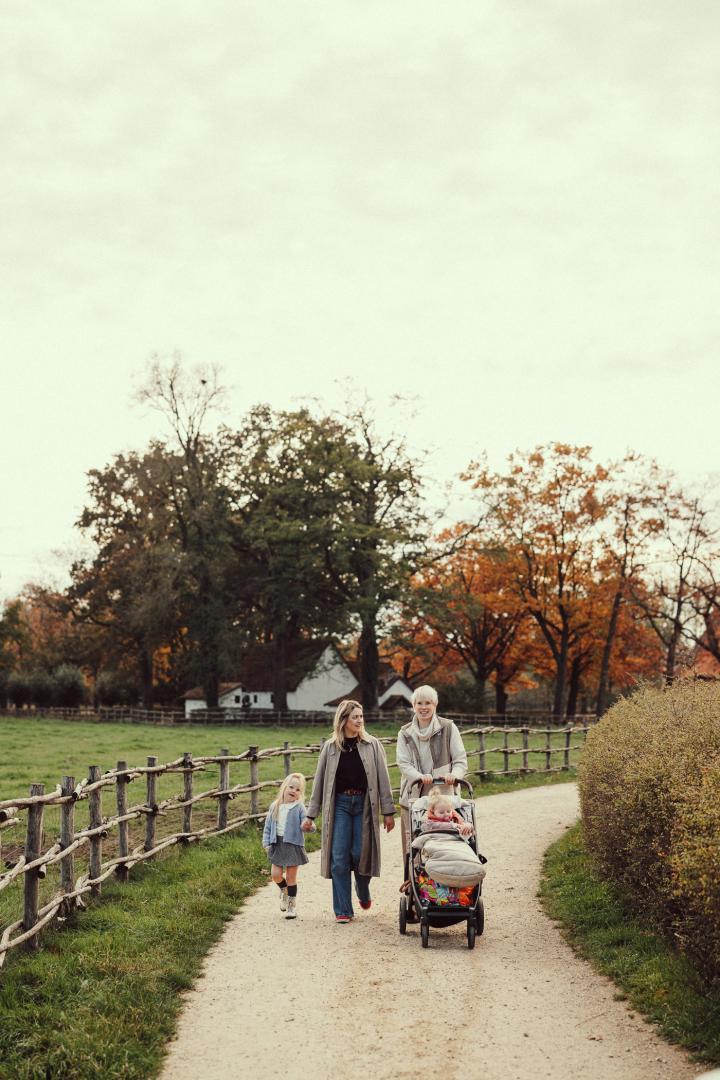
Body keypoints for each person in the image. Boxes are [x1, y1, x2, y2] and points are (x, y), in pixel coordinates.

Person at [303, 700, 395, 923]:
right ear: (343, 720)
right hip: (341, 806)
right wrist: (310, 814)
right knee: (339, 858)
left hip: (364, 805)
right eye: (355, 717)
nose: (360, 721)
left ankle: (362, 889)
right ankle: (343, 910)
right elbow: (320, 782)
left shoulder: (372, 745)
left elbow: (383, 779)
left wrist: (389, 811)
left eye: (361, 717)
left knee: (360, 853)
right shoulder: (330, 747)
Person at [396, 684, 468, 860]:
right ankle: (412, 881)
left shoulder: (448, 727)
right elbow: (403, 763)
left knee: (444, 839)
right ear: (413, 706)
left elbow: (460, 760)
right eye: (419, 703)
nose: (423, 707)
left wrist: (455, 775)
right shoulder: (405, 732)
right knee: (412, 841)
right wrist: (419, 777)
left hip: (443, 795)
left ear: (435, 705)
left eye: (428, 703)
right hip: (414, 793)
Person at [262, 772, 313, 919]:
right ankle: (284, 890)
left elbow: (306, 823)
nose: (293, 791)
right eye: (291, 787)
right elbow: (268, 827)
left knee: (291, 877)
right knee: (276, 875)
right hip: (277, 844)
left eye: (298, 790)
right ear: (284, 787)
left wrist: (309, 826)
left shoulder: (299, 808)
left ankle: (291, 905)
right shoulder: (275, 806)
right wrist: (266, 843)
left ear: (300, 794)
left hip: (293, 845)